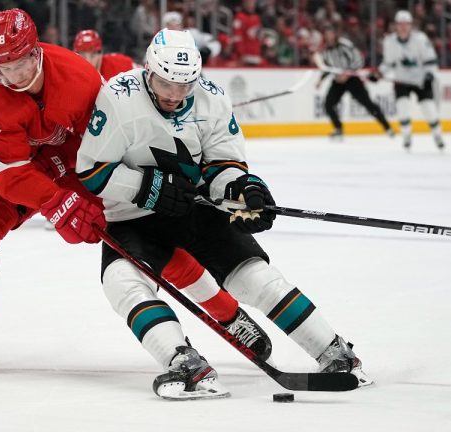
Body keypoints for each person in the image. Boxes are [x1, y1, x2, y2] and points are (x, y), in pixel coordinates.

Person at [76, 29, 372, 400]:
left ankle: (335, 352)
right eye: (166, 83)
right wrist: (147, 188)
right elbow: (92, 171)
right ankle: (183, 362)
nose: (174, 94)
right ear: (148, 71)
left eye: (184, 86)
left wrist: (240, 190)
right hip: (133, 217)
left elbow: (224, 163)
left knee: (256, 277)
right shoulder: (119, 96)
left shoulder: (212, 97)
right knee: (121, 282)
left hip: (195, 209)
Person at [75, 27, 273, 364]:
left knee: (182, 261)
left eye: (93, 52)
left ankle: (230, 317)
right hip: (112, 191)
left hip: (161, 181)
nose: (88, 59)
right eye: (82, 52)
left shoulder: (120, 69)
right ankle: (226, 319)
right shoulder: (80, 80)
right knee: (165, 265)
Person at [0, 8, 107, 371]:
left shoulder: (80, 76)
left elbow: (110, 144)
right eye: (2, 68)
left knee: (135, 225)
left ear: (35, 52)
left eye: (19, 65)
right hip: (28, 168)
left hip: (85, 164)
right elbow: (10, 173)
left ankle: (215, 300)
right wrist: (56, 202)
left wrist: (92, 193)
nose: (12, 76)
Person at [370, 10, 445, 151]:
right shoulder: (390, 41)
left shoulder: (421, 39)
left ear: (411, 25)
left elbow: (431, 60)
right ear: (396, 25)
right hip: (401, 80)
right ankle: (406, 136)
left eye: (406, 24)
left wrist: (430, 75)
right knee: (402, 107)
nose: (403, 27)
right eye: (400, 24)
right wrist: (378, 74)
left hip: (420, 80)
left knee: (429, 109)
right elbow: (388, 63)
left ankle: (437, 135)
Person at [315, 24, 393, 141]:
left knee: (367, 103)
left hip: (352, 79)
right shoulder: (325, 50)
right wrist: (320, 80)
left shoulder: (344, 45)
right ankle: (338, 129)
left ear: (335, 34)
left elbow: (358, 60)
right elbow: (328, 68)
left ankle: (387, 127)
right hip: (338, 81)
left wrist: (347, 73)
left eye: (331, 33)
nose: (329, 36)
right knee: (328, 104)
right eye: (327, 34)